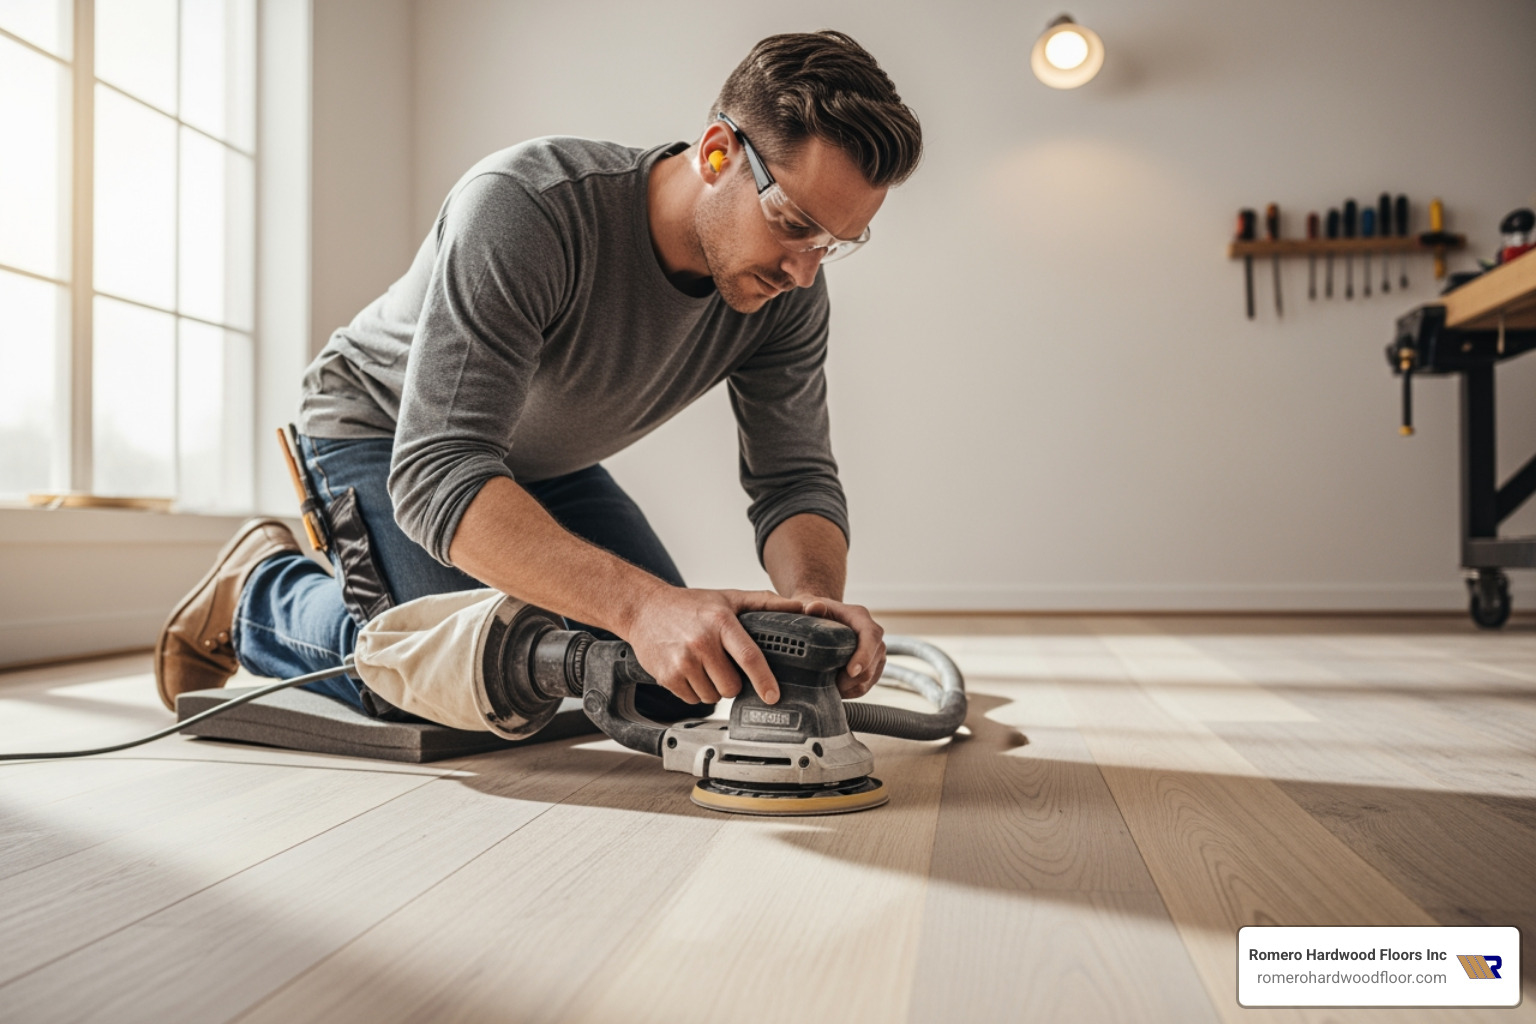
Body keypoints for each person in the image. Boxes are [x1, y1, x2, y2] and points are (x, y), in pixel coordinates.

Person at [154, 30, 923, 725]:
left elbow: (793, 479)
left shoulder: (789, 292)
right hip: (387, 432)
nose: (803, 269)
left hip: (536, 462)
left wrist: (814, 604)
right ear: (718, 152)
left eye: (835, 242)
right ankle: (258, 595)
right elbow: (438, 470)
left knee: (665, 688)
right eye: (792, 222)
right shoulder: (528, 208)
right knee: (446, 679)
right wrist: (641, 606)